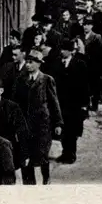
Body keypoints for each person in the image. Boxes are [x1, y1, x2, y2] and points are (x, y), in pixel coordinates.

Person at [12, 50, 64, 185]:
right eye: (27, 62)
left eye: (31, 62)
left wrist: (58, 123)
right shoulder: (20, 80)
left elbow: (54, 102)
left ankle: (46, 179)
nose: (27, 65)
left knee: (41, 155)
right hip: (25, 125)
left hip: (42, 125)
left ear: (39, 64)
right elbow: (15, 103)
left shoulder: (47, 80)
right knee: (25, 155)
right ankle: (29, 183)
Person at [0, 76, 31, 176]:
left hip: (8, 151)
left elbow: (22, 132)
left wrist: (25, 154)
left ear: (1, 90)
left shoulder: (12, 107)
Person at [52, 39, 89, 164]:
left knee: (72, 130)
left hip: (75, 104)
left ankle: (71, 154)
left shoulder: (80, 64)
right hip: (61, 103)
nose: (62, 52)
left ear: (71, 51)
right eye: (61, 49)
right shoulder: (57, 64)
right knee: (63, 128)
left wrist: (84, 105)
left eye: (65, 50)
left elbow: (85, 86)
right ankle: (64, 152)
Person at [82, 16, 102, 110]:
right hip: (83, 64)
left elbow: (100, 52)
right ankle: (85, 103)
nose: (86, 26)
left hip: (93, 65)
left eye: (88, 24)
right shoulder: (80, 36)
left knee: (94, 85)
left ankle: (94, 105)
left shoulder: (97, 37)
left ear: (92, 26)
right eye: (84, 24)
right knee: (84, 84)